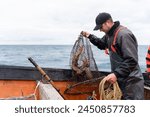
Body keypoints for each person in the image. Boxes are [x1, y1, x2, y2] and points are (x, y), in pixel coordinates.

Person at [81, 12, 144, 100]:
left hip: (131, 82)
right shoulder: (110, 35)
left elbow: (132, 60)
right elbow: (102, 44)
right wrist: (90, 36)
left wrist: (116, 74)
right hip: (121, 79)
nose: (100, 30)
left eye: (101, 27)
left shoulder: (123, 35)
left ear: (107, 22)